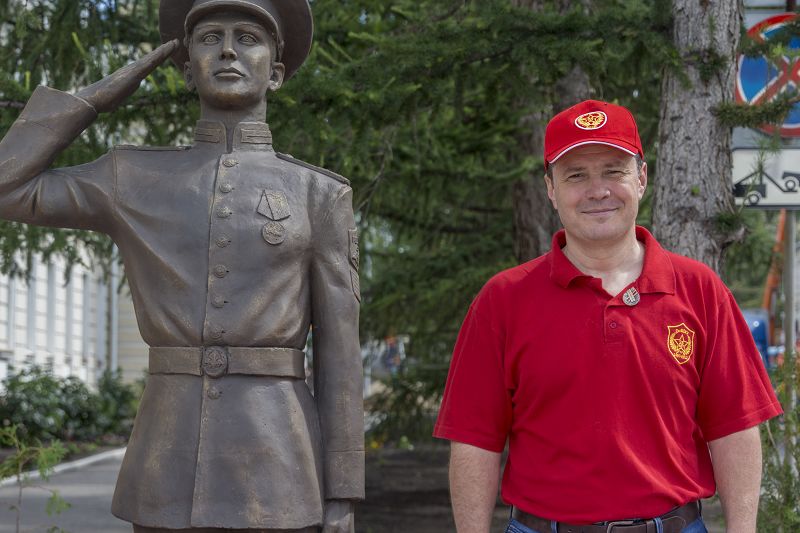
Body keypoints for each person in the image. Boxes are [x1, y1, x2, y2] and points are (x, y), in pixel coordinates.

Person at [0, 1, 363, 531]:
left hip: (279, 465)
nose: (229, 50)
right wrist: (93, 100)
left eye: (248, 38)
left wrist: (343, 492)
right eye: (210, 37)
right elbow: (7, 189)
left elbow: (340, 354)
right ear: (187, 69)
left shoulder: (318, 194)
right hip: (163, 464)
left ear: (276, 73)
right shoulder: (131, 177)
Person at [433, 100, 782, 533]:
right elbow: (474, 440)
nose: (597, 190)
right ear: (550, 189)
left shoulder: (700, 291)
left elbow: (734, 427)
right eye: (576, 175)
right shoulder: (503, 300)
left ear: (642, 178)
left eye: (613, 171)